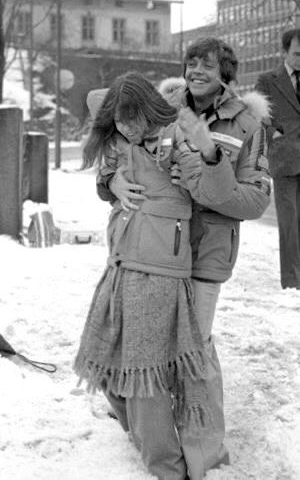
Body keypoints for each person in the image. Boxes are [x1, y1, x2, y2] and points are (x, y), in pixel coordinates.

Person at [95, 38, 271, 478]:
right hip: (150, 251)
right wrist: (111, 181)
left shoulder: (248, 124)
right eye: (191, 63)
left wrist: (208, 158)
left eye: (207, 65)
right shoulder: (162, 107)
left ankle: (204, 462)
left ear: (226, 71)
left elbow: (252, 203)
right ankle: (149, 435)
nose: (196, 71)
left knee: (191, 359)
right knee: (134, 350)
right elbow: (118, 148)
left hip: (204, 255)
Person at [74, 71, 221, 480]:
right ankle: (140, 438)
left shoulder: (175, 139)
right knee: (102, 356)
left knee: (144, 373)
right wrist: (111, 180)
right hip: (121, 261)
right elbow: (97, 96)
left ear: (148, 110)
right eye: (118, 120)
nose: (124, 127)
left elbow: (206, 183)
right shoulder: (122, 142)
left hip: (160, 270)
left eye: (131, 118)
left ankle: (167, 467)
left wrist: (203, 157)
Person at [255, 28, 300, 290]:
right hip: (284, 160)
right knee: (289, 222)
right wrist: (275, 133)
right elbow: (258, 113)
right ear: (283, 52)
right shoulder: (267, 80)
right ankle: (293, 282)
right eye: (296, 54)